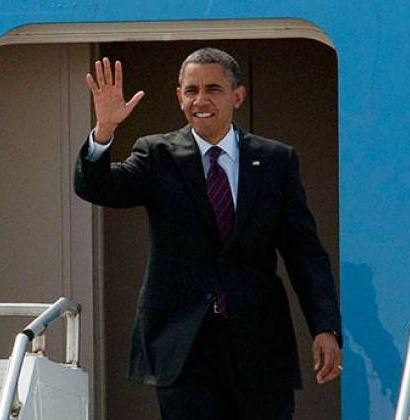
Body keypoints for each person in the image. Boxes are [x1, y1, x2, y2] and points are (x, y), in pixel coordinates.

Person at [74, 48, 342, 420]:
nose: (200, 100)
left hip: (257, 342)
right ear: (179, 97)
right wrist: (104, 132)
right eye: (191, 90)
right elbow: (99, 189)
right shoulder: (157, 154)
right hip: (182, 346)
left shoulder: (276, 160)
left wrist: (324, 327)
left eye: (213, 89)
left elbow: (304, 252)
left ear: (237, 95)